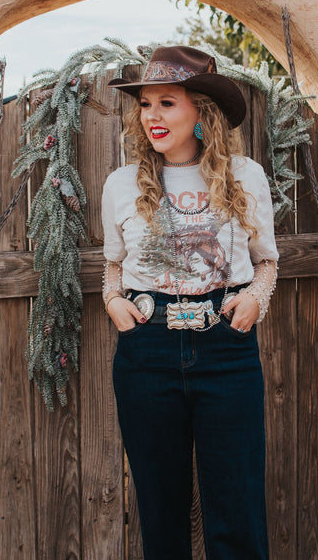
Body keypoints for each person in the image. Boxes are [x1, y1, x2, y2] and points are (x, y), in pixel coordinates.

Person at [101, 45, 278, 560]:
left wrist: (254, 302)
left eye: (167, 103)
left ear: (202, 110)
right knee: (160, 509)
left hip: (226, 349)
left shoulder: (245, 176)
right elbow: (113, 262)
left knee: (238, 508)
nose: (152, 116)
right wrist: (114, 300)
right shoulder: (122, 183)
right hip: (146, 351)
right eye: (146, 104)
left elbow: (267, 261)